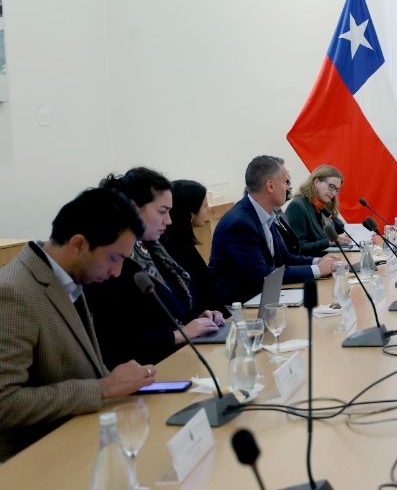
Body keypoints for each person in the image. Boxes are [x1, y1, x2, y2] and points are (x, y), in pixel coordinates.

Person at [0, 188, 155, 461]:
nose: (116, 272)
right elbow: (5, 403)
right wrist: (104, 387)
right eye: (114, 258)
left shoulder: (67, 277)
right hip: (35, 464)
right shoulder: (14, 292)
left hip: (80, 441)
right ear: (79, 244)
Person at [86, 168, 225, 368]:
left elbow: (171, 313)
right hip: (149, 372)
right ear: (133, 209)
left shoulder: (154, 250)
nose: (168, 221)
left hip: (180, 360)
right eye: (162, 211)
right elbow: (118, 343)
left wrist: (200, 319)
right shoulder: (112, 264)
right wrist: (180, 334)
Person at [209, 155, 336, 304]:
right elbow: (263, 276)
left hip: (263, 297)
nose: (288, 188)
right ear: (270, 186)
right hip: (238, 308)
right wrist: (318, 270)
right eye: (285, 182)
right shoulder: (240, 224)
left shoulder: (265, 214)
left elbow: (285, 258)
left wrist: (318, 261)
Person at [161, 179, 222, 311]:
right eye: (205, 206)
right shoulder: (174, 249)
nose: (209, 209)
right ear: (190, 213)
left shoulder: (184, 243)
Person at [284, 164, 351, 255]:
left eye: (337, 189)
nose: (334, 193)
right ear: (316, 182)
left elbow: (340, 227)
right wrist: (328, 242)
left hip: (328, 262)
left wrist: (356, 234)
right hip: (310, 265)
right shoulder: (297, 206)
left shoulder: (323, 206)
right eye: (331, 186)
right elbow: (297, 248)